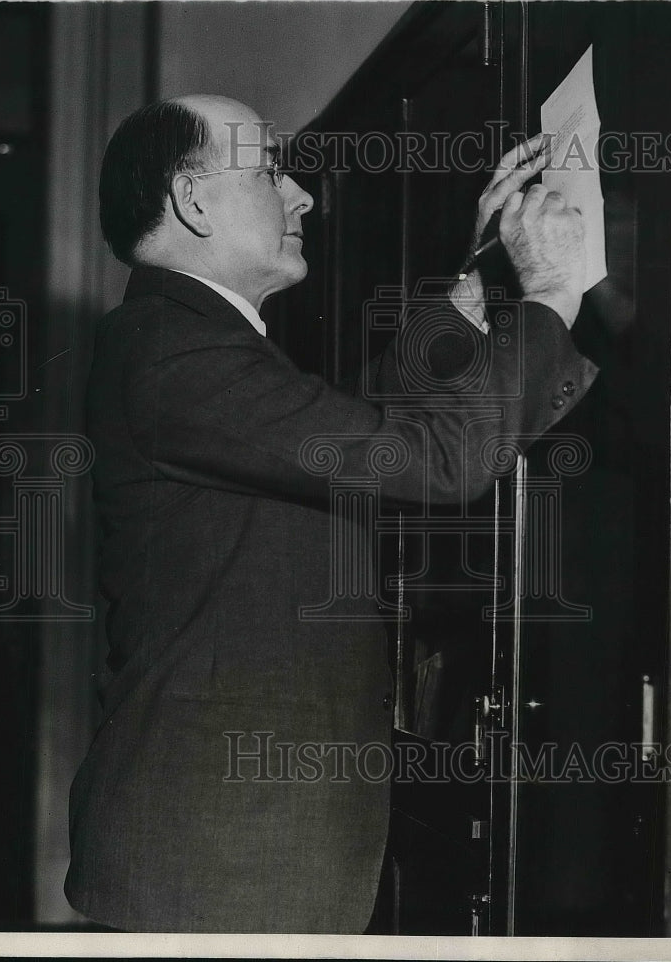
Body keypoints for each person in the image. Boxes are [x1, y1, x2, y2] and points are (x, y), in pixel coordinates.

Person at [64, 94, 597, 933]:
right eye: (273, 172)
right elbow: (431, 459)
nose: (303, 194)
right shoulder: (172, 348)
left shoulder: (188, 342)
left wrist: (487, 275)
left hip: (228, 851)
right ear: (193, 200)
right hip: (221, 860)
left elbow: (360, 437)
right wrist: (552, 293)